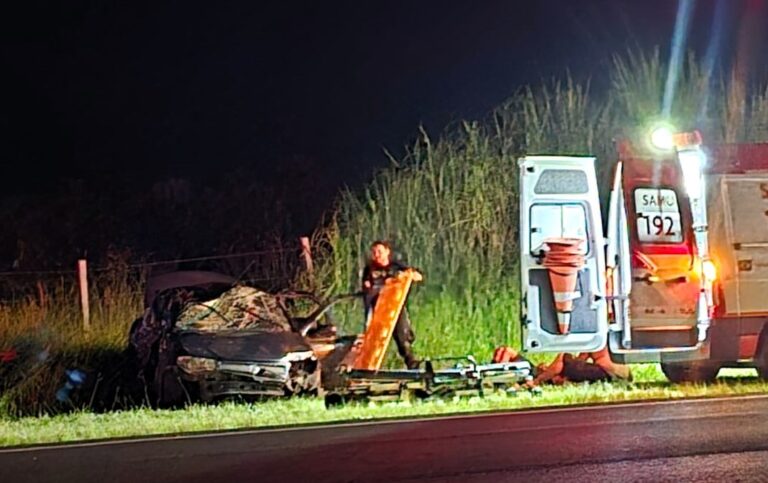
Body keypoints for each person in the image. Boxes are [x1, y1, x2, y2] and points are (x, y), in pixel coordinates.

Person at [361, 240, 423, 369]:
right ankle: (368, 366)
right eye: (374, 252)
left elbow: (417, 275)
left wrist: (409, 276)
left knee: (402, 337)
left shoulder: (396, 266)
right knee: (374, 339)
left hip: (394, 307)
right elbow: (366, 286)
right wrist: (367, 286)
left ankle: (412, 364)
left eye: (379, 252)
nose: (377, 255)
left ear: (387, 252)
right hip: (378, 309)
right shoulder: (370, 269)